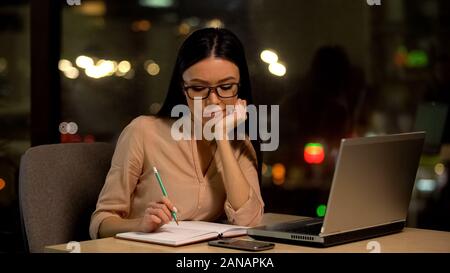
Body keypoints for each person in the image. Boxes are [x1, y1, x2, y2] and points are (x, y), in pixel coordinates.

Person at [89, 28, 264, 239]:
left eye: (226, 87)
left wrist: (222, 138)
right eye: (198, 88)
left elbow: (248, 220)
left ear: (240, 87)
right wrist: (140, 224)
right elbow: (100, 223)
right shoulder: (143, 132)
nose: (213, 101)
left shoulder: (238, 144)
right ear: (183, 88)